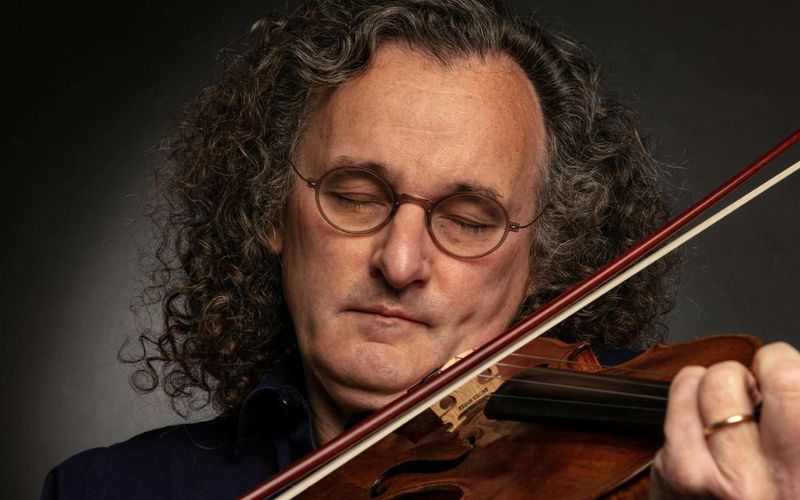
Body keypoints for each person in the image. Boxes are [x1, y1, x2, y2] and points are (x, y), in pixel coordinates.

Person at [42, 1, 800, 498]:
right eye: (355, 196)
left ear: (545, 255)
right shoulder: (110, 491)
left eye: (468, 219)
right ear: (272, 208)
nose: (400, 263)